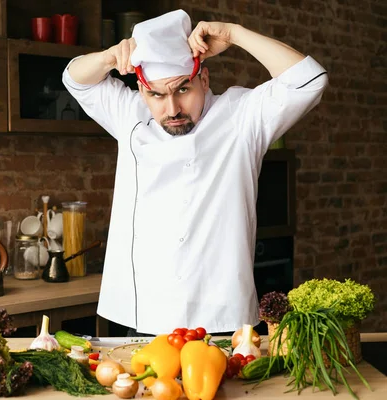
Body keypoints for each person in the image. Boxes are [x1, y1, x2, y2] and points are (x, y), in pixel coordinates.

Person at [62, 10, 328, 335]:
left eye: (182, 90)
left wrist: (234, 33)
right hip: (146, 316)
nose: (171, 109)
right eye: (156, 94)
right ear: (141, 90)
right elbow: (75, 79)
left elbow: (309, 79)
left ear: (203, 79)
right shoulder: (128, 114)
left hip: (221, 320)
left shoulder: (241, 117)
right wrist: (106, 58)